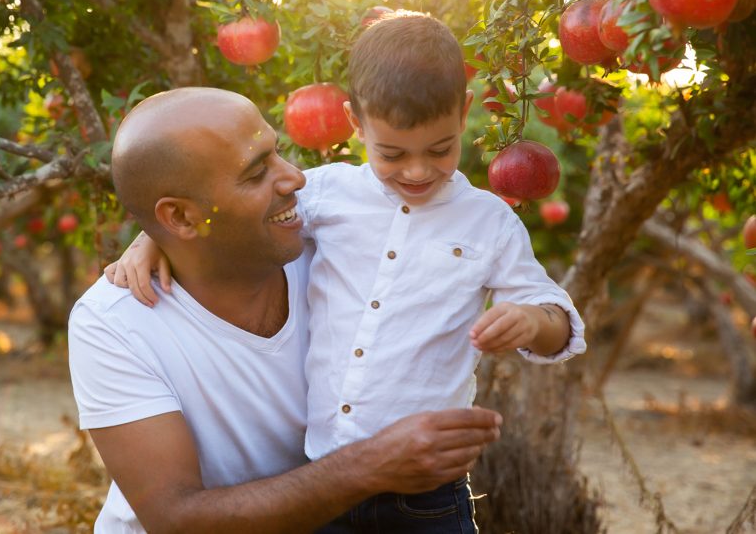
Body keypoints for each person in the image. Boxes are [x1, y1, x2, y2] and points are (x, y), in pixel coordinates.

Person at [107, 12, 587, 532]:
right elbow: (228, 215)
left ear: (465, 111)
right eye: (392, 153)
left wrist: (531, 321)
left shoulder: (489, 222)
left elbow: (556, 320)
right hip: (322, 481)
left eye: (441, 149)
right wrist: (149, 239)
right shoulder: (329, 191)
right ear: (354, 123)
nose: (418, 171)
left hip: (427, 497)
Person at [69, 86, 503, 533]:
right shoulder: (114, 322)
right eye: (257, 172)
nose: (295, 177)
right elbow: (175, 516)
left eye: (277, 153)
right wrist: (367, 466)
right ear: (180, 218)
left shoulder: (338, 251)